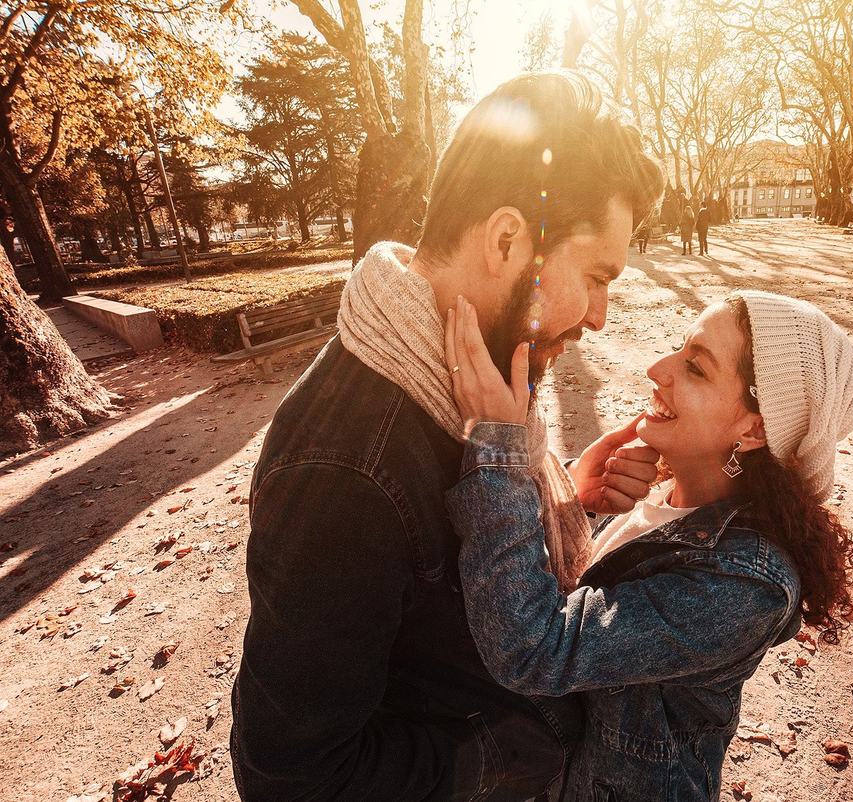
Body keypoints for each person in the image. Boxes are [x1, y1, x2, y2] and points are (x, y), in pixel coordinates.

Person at [230, 71, 664, 800]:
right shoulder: (344, 474)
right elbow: (291, 777)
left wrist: (566, 497)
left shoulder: (473, 388)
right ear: (505, 240)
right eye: (595, 275)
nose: (600, 316)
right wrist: (516, 750)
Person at [442, 290, 853, 801]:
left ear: (754, 428)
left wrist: (497, 446)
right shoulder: (664, 494)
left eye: (696, 368)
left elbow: (535, 649)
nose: (657, 369)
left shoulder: (744, 584)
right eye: (678, 348)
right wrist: (576, 506)